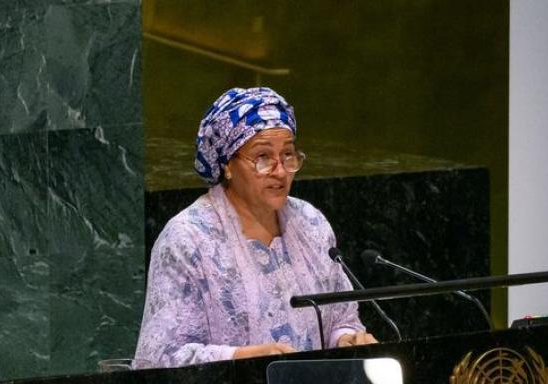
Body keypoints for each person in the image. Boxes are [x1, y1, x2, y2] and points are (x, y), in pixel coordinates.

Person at [132, 87, 378, 369]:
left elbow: (341, 319)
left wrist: (345, 339)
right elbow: (159, 359)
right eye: (263, 158)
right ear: (227, 165)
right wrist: (240, 359)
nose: (281, 171)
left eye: (288, 155)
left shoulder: (310, 222)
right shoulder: (188, 239)